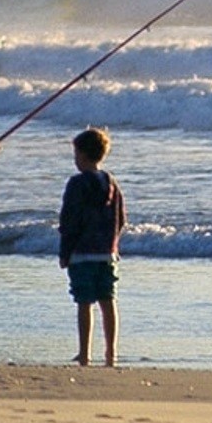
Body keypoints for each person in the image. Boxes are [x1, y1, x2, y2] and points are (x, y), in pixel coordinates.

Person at [58, 127, 126, 367]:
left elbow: (69, 221)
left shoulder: (76, 184)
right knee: (108, 300)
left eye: (76, 154)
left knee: (84, 303)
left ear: (84, 154)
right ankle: (111, 353)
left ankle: (85, 352)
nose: (75, 160)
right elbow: (121, 218)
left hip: (81, 253)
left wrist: (65, 252)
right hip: (107, 253)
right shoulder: (111, 182)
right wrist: (113, 243)